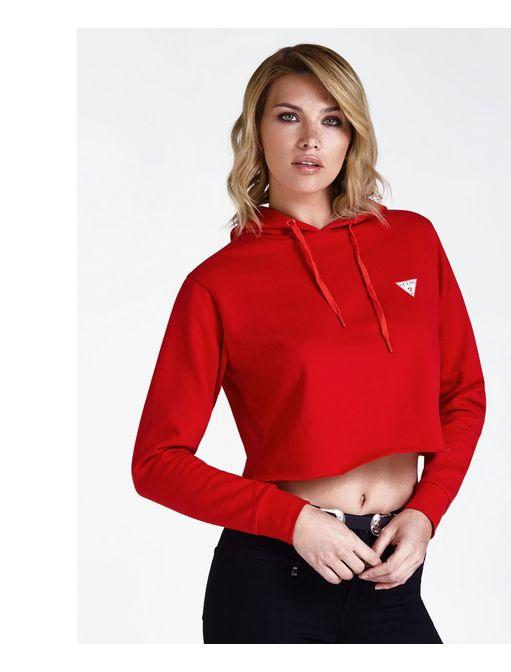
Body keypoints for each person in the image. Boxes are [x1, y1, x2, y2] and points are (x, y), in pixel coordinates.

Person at [131, 43, 487, 644]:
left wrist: (427, 511)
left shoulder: (412, 240)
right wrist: (294, 521)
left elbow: (463, 395)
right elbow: (157, 462)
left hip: (391, 574)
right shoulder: (218, 283)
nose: (311, 140)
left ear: (353, 135)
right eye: (288, 116)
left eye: (332, 119)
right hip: (275, 577)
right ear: (256, 131)